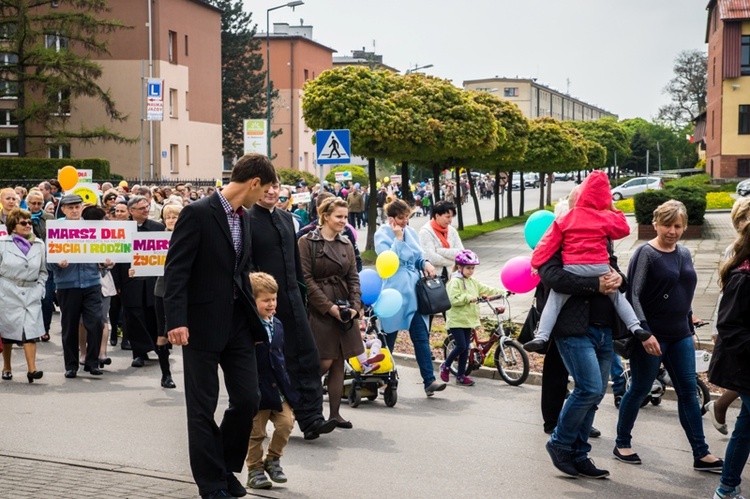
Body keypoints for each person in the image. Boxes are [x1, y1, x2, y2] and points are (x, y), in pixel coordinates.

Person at [164, 153, 276, 499]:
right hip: (198, 325)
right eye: (266, 189)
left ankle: (225, 466)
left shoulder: (243, 219)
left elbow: (241, 270)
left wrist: (258, 310)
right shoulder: (197, 213)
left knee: (247, 399)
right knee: (202, 407)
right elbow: (176, 270)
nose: (265, 197)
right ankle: (211, 483)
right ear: (254, 183)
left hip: (238, 324)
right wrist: (176, 321)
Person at [614, 200, 723, 473]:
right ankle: (621, 443)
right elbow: (634, 295)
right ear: (656, 224)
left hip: (681, 333)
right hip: (652, 336)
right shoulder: (645, 253)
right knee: (640, 387)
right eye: (667, 224)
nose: (672, 231)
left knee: (688, 391)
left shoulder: (684, 253)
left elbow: (683, 289)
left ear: (684, 226)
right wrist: (643, 332)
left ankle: (701, 453)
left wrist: (689, 315)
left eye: (678, 225)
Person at [248, 180, 337, 441]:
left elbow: (296, 264)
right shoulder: (248, 219)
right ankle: (271, 419)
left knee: (307, 356)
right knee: (276, 362)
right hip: (266, 303)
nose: (271, 192)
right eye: (265, 187)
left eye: (275, 187)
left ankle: (312, 419)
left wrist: (302, 295)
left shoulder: (287, 219)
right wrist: (259, 302)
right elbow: (249, 265)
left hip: (293, 299)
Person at [524, 171, 648, 353]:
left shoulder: (565, 219)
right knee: (618, 298)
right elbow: (624, 229)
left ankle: (542, 337)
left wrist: (535, 262)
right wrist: (613, 210)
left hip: (573, 267)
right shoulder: (604, 217)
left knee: (554, 300)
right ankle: (636, 328)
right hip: (599, 266)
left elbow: (546, 244)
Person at [299, 197, 364, 428]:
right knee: (323, 361)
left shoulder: (346, 243)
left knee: (338, 362)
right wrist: (328, 307)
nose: (344, 221)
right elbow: (305, 279)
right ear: (325, 215)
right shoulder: (307, 242)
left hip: (344, 305)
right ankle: (300, 405)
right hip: (320, 309)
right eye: (339, 216)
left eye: (346, 217)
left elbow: (354, 277)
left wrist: (355, 306)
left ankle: (334, 414)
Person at [375, 198, 445, 396]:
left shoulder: (411, 232)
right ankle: (384, 379)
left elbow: (417, 255)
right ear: (391, 218)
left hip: (414, 292)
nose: (405, 221)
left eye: (407, 217)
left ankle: (429, 381)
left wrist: (426, 263)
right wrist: (397, 239)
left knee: (421, 336)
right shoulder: (381, 234)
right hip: (393, 293)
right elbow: (387, 259)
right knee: (388, 338)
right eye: (401, 217)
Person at [49, 194, 113, 379]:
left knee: (96, 323)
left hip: (91, 282)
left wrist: (106, 262)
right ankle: (71, 365)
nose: (75, 210)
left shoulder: (92, 227)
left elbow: (103, 250)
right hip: (68, 285)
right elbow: (49, 260)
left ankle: (92, 362)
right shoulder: (57, 229)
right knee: (69, 327)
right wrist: (56, 264)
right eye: (71, 207)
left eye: (77, 207)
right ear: (63, 210)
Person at [245, 272, 298, 490]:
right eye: (266, 300)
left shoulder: (277, 323)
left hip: (279, 388)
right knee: (256, 433)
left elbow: (280, 356)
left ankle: (273, 459)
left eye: (274, 299)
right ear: (253, 300)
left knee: (286, 423)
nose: (272, 304)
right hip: (257, 388)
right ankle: (254, 470)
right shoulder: (247, 326)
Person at [708, 222, 750, 499]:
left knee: (746, 426)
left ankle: (726, 487)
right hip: (744, 366)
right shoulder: (743, 278)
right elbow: (729, 327)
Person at [706, 197, 750, 435]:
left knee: (745, 422)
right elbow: (726, 297)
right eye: (743, 217)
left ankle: (731, 474)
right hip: (734, 327)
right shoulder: (735, 252)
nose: (746, 222)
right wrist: (715, 329)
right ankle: (720, 405)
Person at [111, 196, 165, 369]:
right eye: (141, 208)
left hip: (152, 280)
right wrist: (117, 282)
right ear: (131, 211)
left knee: (152, 314)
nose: (146, 210)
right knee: (134, 316)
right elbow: (117, 257)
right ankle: (139, 353)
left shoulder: (158, 227)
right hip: (130, 280)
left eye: (147, 207)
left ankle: (157, 346)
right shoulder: (123, 229)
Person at [440, 250, 503, 386]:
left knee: (466, 348)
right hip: (457, 320)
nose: (471, 271)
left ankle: (461, 375)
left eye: (473, 268)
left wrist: (503, 292)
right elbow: (453, 299)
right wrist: (469, 298)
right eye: (468, 268)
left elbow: (485, 288)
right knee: (461, 345)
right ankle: (445, 365)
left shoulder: (472, 281)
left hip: (468, 320)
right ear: (460, 267)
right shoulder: (455, 282)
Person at [0, 208, 48, 383]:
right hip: (7, 291)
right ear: (13, 226)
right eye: (23, 223)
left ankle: (32, 369)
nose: (28, 225)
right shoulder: (2, 243)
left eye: (29, 222)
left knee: (30, 331)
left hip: (31, 292)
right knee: (8, 333)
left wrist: (40, 288)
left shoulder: (39, 244)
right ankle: (7, 367)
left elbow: (43, 271)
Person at [152, 203, 182, 389]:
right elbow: (145, 261)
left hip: (184, 291)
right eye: (168, 217)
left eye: (175, 216)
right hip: (162, 290)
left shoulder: (189, 237)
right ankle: (166, 374)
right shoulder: (157, 239)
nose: (172, 220)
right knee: (162, 333)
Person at [26, 190, 54, 342]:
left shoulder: (49, 218)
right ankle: (30, 329)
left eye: (39, 203)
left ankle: (45, 328)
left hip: (46, 262)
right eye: (33, 203)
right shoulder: (22, 217)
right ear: (28, 203)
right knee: (29, 299)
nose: (36, 206)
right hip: (28, 263)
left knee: (46, 298)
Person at [418, 200, 464, 279]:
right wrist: (452, 262)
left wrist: (439, 251)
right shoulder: (425, 232)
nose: (450, 220)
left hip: (453, 276)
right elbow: (430, 257)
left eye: (451, 217)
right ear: (437, 216)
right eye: (447, 217)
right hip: (435, 278)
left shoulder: (452, 230)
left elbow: (461, 253)